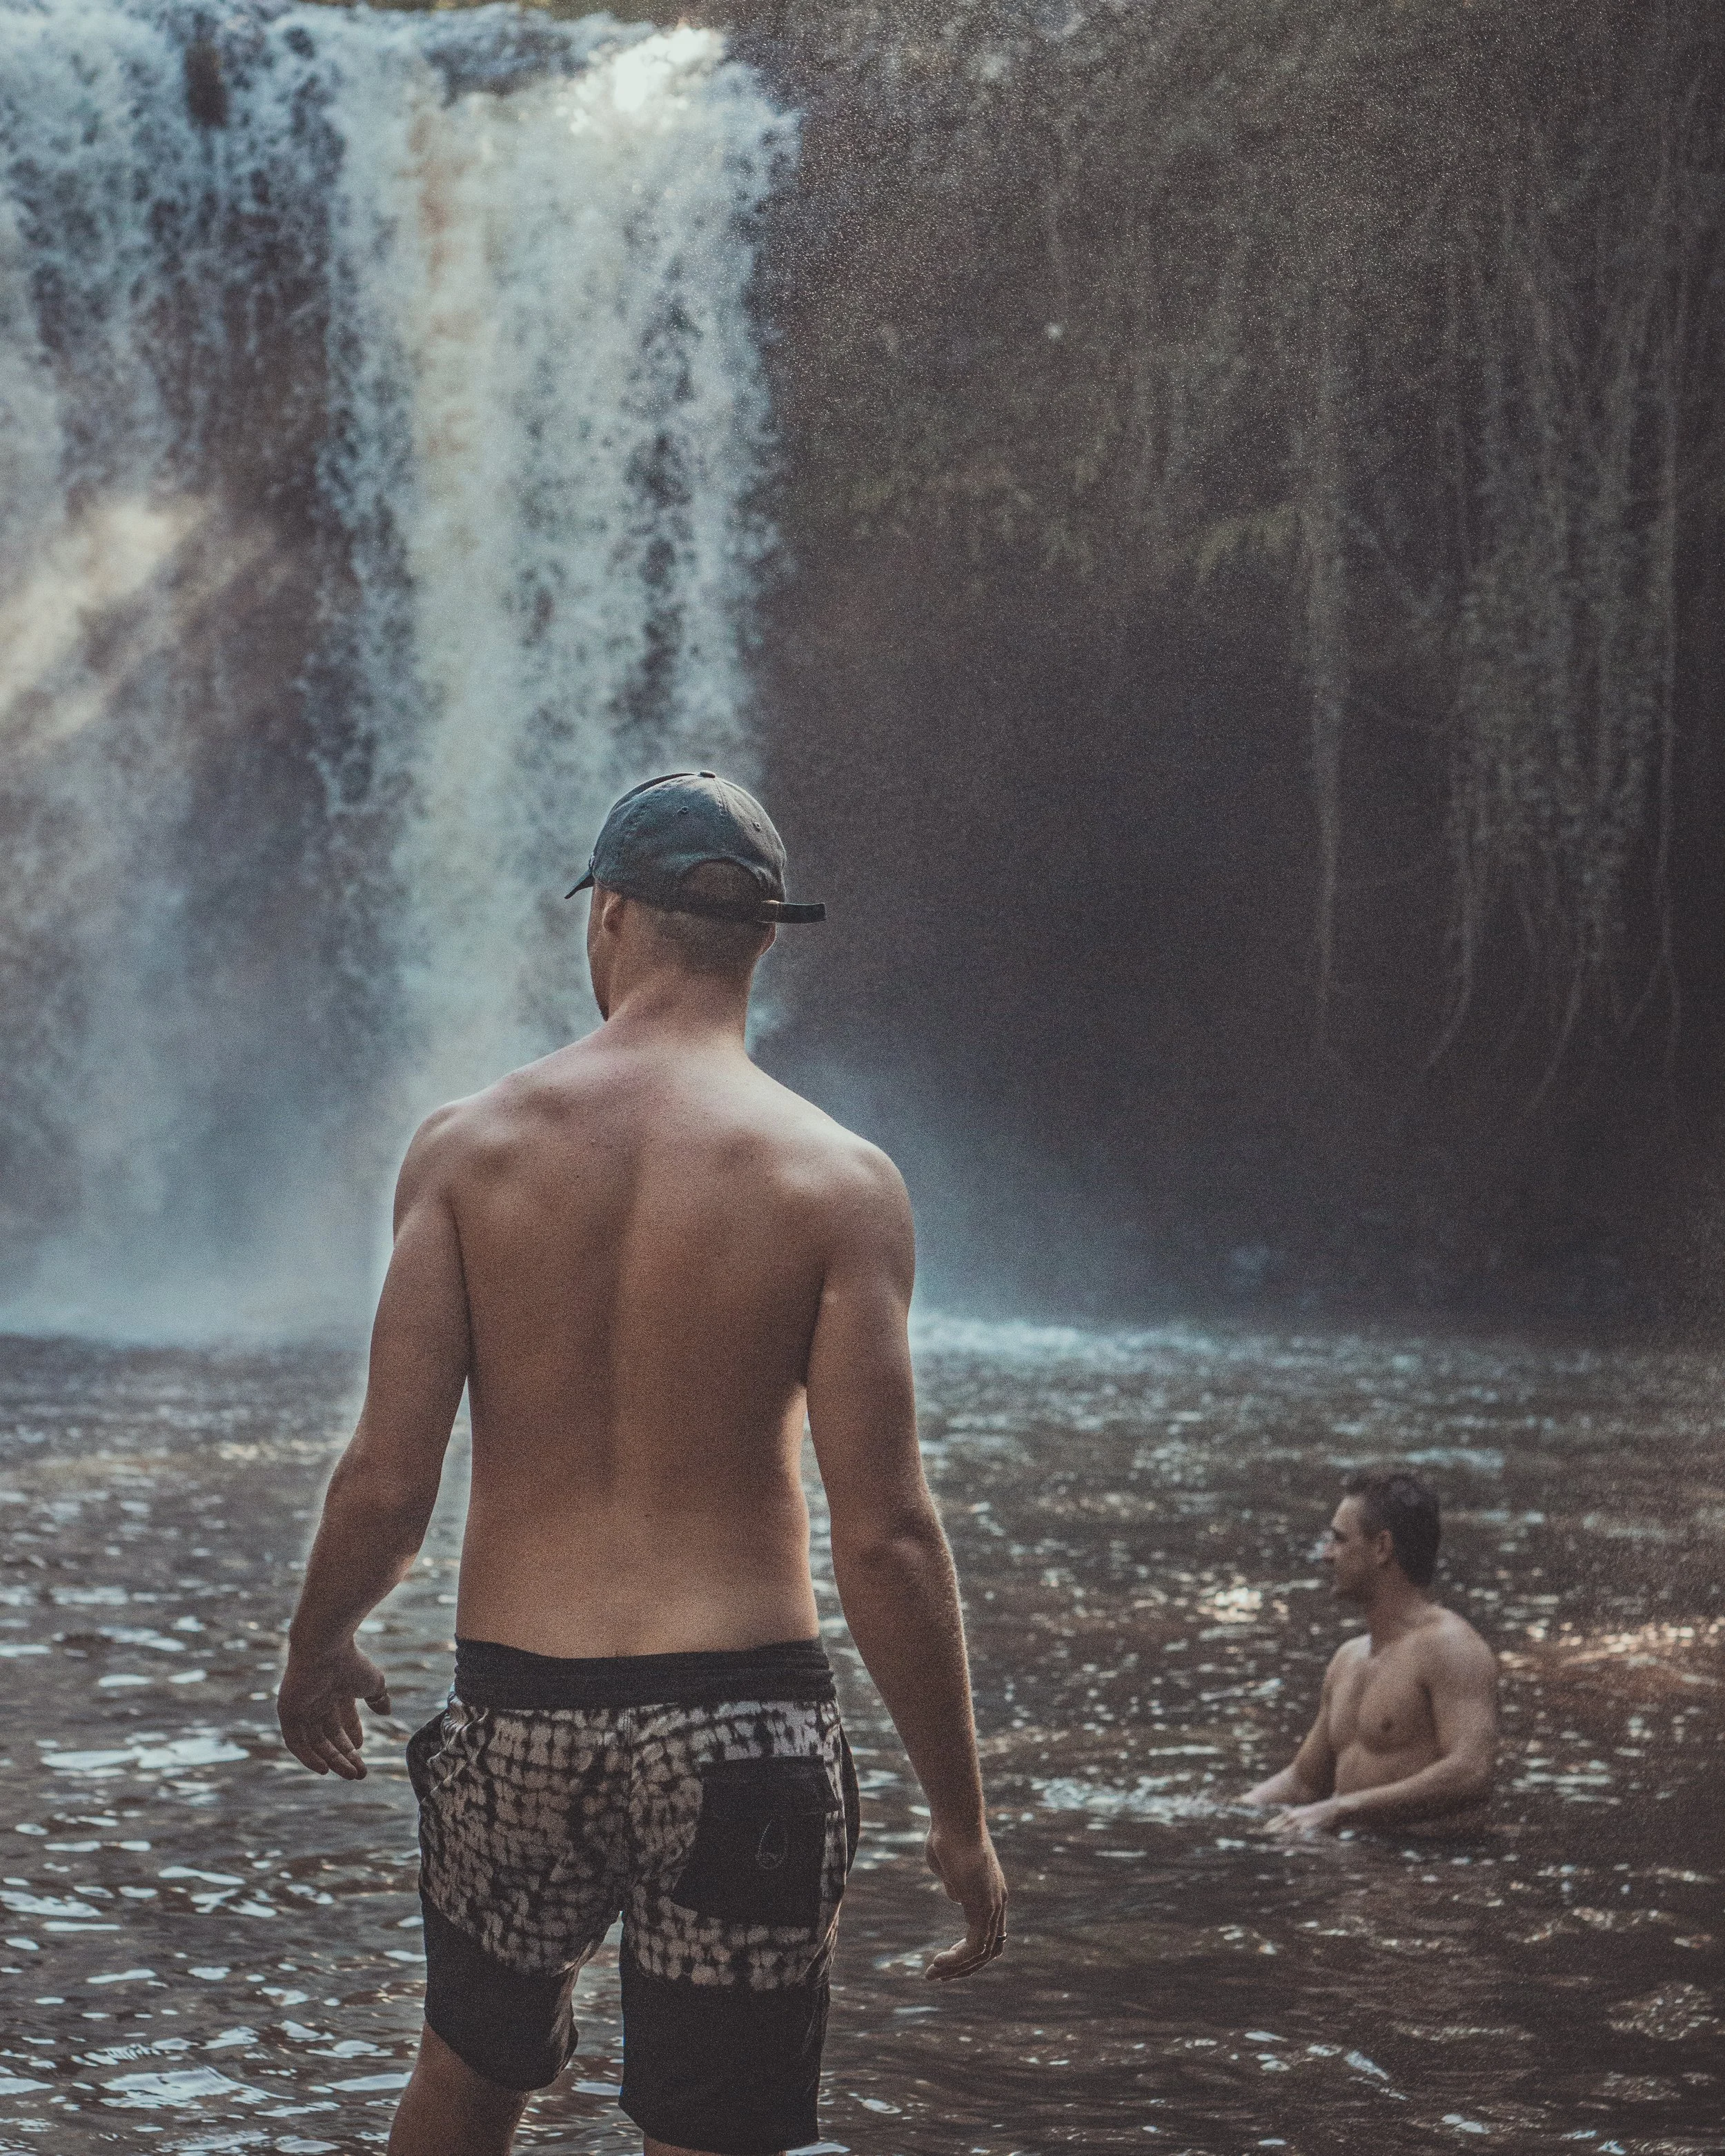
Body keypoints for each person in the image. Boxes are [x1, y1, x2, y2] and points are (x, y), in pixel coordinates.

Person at [276, 771, 1007, 2156]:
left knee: (464, 2076)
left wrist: (319, 1643)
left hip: (515, 1717)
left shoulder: (466, 1150)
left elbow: (384, 1473)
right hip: (739, 1726)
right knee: (715, 2131)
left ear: (606, 915)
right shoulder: (837, 1181)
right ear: (767, 939)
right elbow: (888, 1532)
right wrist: (957, 1812)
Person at [1241, 1467, 1497, 1837]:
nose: (1327, 1555)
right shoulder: (1348, 1658)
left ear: (1381, 1548)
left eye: (1340, 1539)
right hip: (1360, 1861)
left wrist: (1343, 1808)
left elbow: (1472, 1772)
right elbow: (1304, 1782)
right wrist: (1219, 1815)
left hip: (1429, 1872)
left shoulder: (1450, 1647)